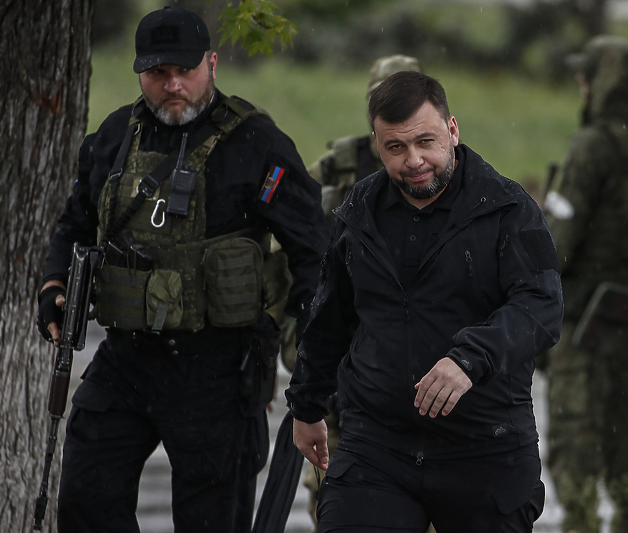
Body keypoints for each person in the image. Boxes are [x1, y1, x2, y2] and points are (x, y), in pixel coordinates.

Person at [35, 7, 328, 532]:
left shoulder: (255, 144)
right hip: (125, 360)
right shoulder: (114, 136)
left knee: (213, 519)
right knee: (85, 499)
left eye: (184, 71)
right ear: (139, 72)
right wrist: (54, 284)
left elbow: (314, 251)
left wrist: (309, 346)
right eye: (156, 73)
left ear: (212, 64)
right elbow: (76, 223)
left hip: (216, 367)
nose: (172, 85)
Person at [287, 71, 563, 533]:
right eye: (396, 147)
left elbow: (541, 306)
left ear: (452, 130)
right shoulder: (361, 211)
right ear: (377, 144)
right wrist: (307, 406)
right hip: (377, 447)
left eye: (425, 142)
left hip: (484, 446)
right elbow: (330, 315)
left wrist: (472, 357)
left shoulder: (507, 208)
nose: (414, 160)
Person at [275, 54, 424, 528]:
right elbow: (291, 242)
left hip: (410, 359)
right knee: (335, 485)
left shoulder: (437, 167)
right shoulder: (338, 167)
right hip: (342, 354)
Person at [542, 36, 628, 533]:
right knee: (618, 417)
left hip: (580, 313)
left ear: (603, 83)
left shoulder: (593, 145)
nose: (581, 84)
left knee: (574, 428)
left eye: (588, 76)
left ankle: (580, 523)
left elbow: (555, 245)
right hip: (626, 309)